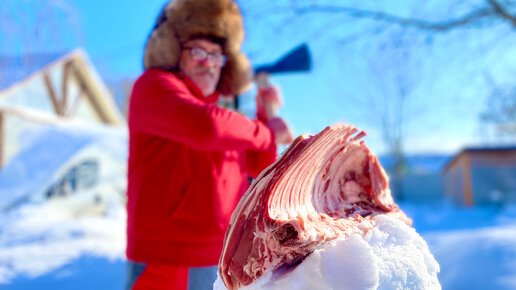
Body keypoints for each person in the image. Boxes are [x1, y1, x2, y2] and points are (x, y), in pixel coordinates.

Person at [125, 0, 293, 289]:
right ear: (176, 52)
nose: (208, 63)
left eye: (217, 56)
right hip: (166, 257)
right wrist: (265, 131)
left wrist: (265, 115)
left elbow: (259, 166)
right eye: (198, 51)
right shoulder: (153, 88)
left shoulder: (228, 120)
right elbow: (206, 127)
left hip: (223, 255)